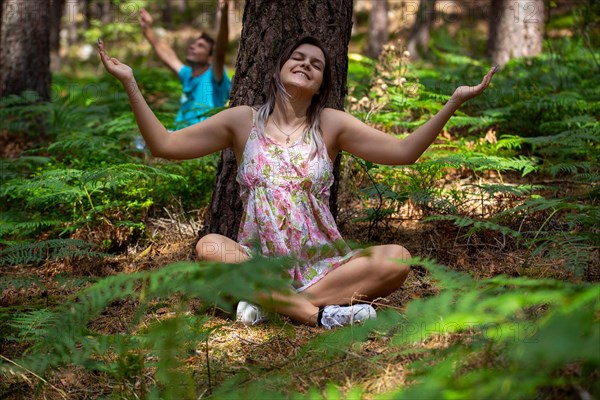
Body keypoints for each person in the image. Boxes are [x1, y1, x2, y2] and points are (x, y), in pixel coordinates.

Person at [97, 36, 497, 329]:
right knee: (209, 247)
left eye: (317, 64)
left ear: (322, 82)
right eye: (298, 58)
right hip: (259, 265)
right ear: (278, 69)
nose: (306, 65)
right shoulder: (242, 121)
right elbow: (165, 145)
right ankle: (320, 316)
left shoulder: (331, 124)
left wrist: (454, 101)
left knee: (397, 257)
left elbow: (405, 151)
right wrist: (130, 82)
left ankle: (271, 307)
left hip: (326, 268)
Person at [139, 1, 231, 128]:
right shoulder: (188, 74)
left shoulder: (214, 75)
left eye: (200, 46)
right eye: (193, 44)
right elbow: (168, 56)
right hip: (177, 137)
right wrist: (148, 29)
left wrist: (224, 14)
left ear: (210, 58)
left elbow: (220, 51)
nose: (192, 46)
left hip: (203, 142)